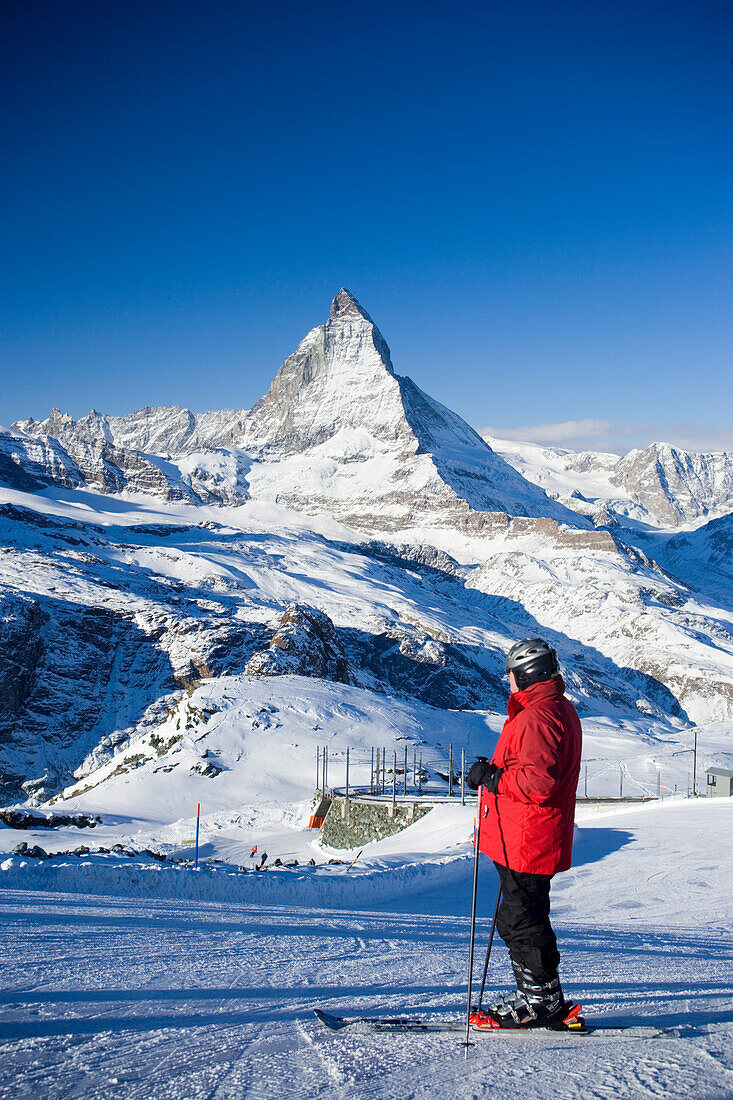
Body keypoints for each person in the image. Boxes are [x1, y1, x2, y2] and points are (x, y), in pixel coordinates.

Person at [466, 638, 582, 1029]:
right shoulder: (552, 709)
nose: (507, 680)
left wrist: (493, 778)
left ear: (526, 674)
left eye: (511, 673)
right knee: (522, 916)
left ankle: (540, 1002)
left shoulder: (538, 717)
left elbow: (538, 782)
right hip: (525, 835)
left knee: (522, 920)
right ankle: (542, 996)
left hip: (526, 838)